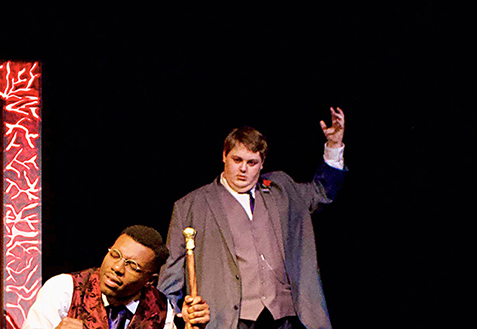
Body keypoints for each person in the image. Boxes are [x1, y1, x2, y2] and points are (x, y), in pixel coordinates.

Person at [158, 108, 347, 329]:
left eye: (251, 162)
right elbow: (171, 275)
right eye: (237, 160)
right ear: (224, 156)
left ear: (262, 163)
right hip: (227, 320)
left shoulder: (281, 189)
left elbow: (321, 193)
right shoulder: (191, 206)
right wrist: (175, 317)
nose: (243, 169)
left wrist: (334, 146)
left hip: (286, 317)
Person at [23, 225, 210, 329]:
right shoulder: (63, 290)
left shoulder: (160, 311)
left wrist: (191, 327)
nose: (118, 268)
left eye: (133, 266)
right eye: (115, 255)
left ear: (150, 280)